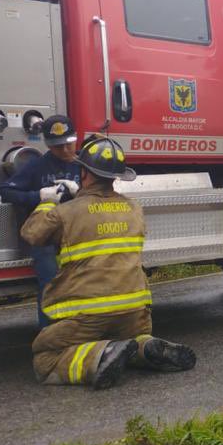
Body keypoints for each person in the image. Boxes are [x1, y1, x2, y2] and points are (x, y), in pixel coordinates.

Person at [21, 136, 196, 388]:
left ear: (84, 173)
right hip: (134, 314)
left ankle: (101, 354)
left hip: (87, 314)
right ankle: (144, 348)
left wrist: (47, 201)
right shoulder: (134, 208)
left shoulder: (67, 212)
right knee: (132, 338)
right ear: (116, 176)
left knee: (46, 356)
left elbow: (32, 234)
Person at [0, 115, 81, 328]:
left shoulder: (84, 164)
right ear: (49, 146)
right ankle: (50, 332)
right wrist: (38, 196)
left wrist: (82, 193)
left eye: (69, 144)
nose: (66, 151)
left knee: (85, 283)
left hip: (78, 233)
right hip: (46, 238)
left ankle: (82, 329)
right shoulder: (37, 166)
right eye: (58, 147)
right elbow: (3, 192)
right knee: (50, 281)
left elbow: (108, 194)